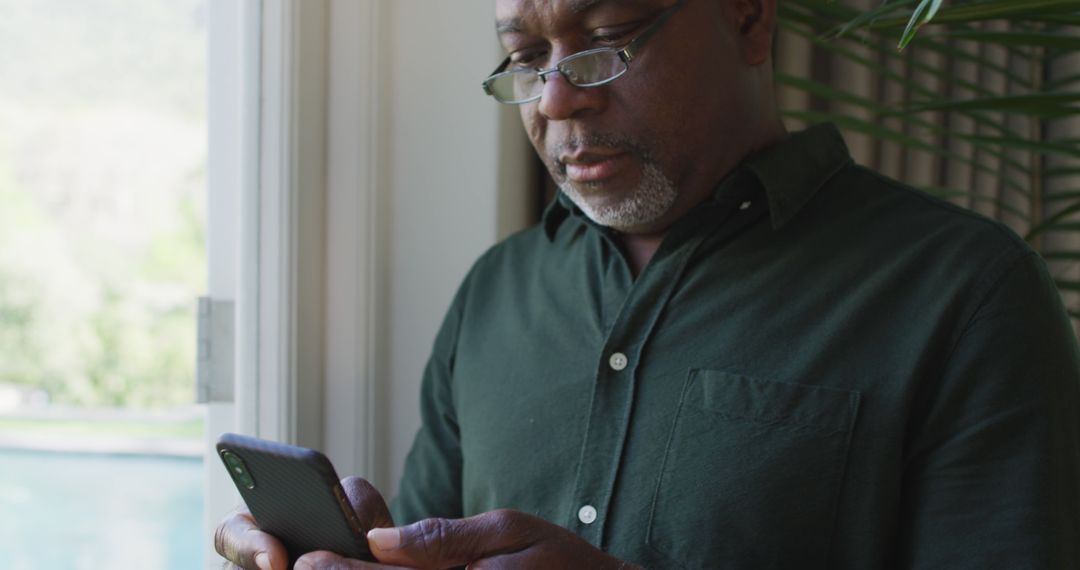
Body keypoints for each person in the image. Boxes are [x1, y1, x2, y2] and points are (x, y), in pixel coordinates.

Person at [216, 0, 1080, 568]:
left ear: (748, 21)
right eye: (525, 56)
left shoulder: (967, 294)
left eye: (605, 43)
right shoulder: (496, 292)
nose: (555, 101)